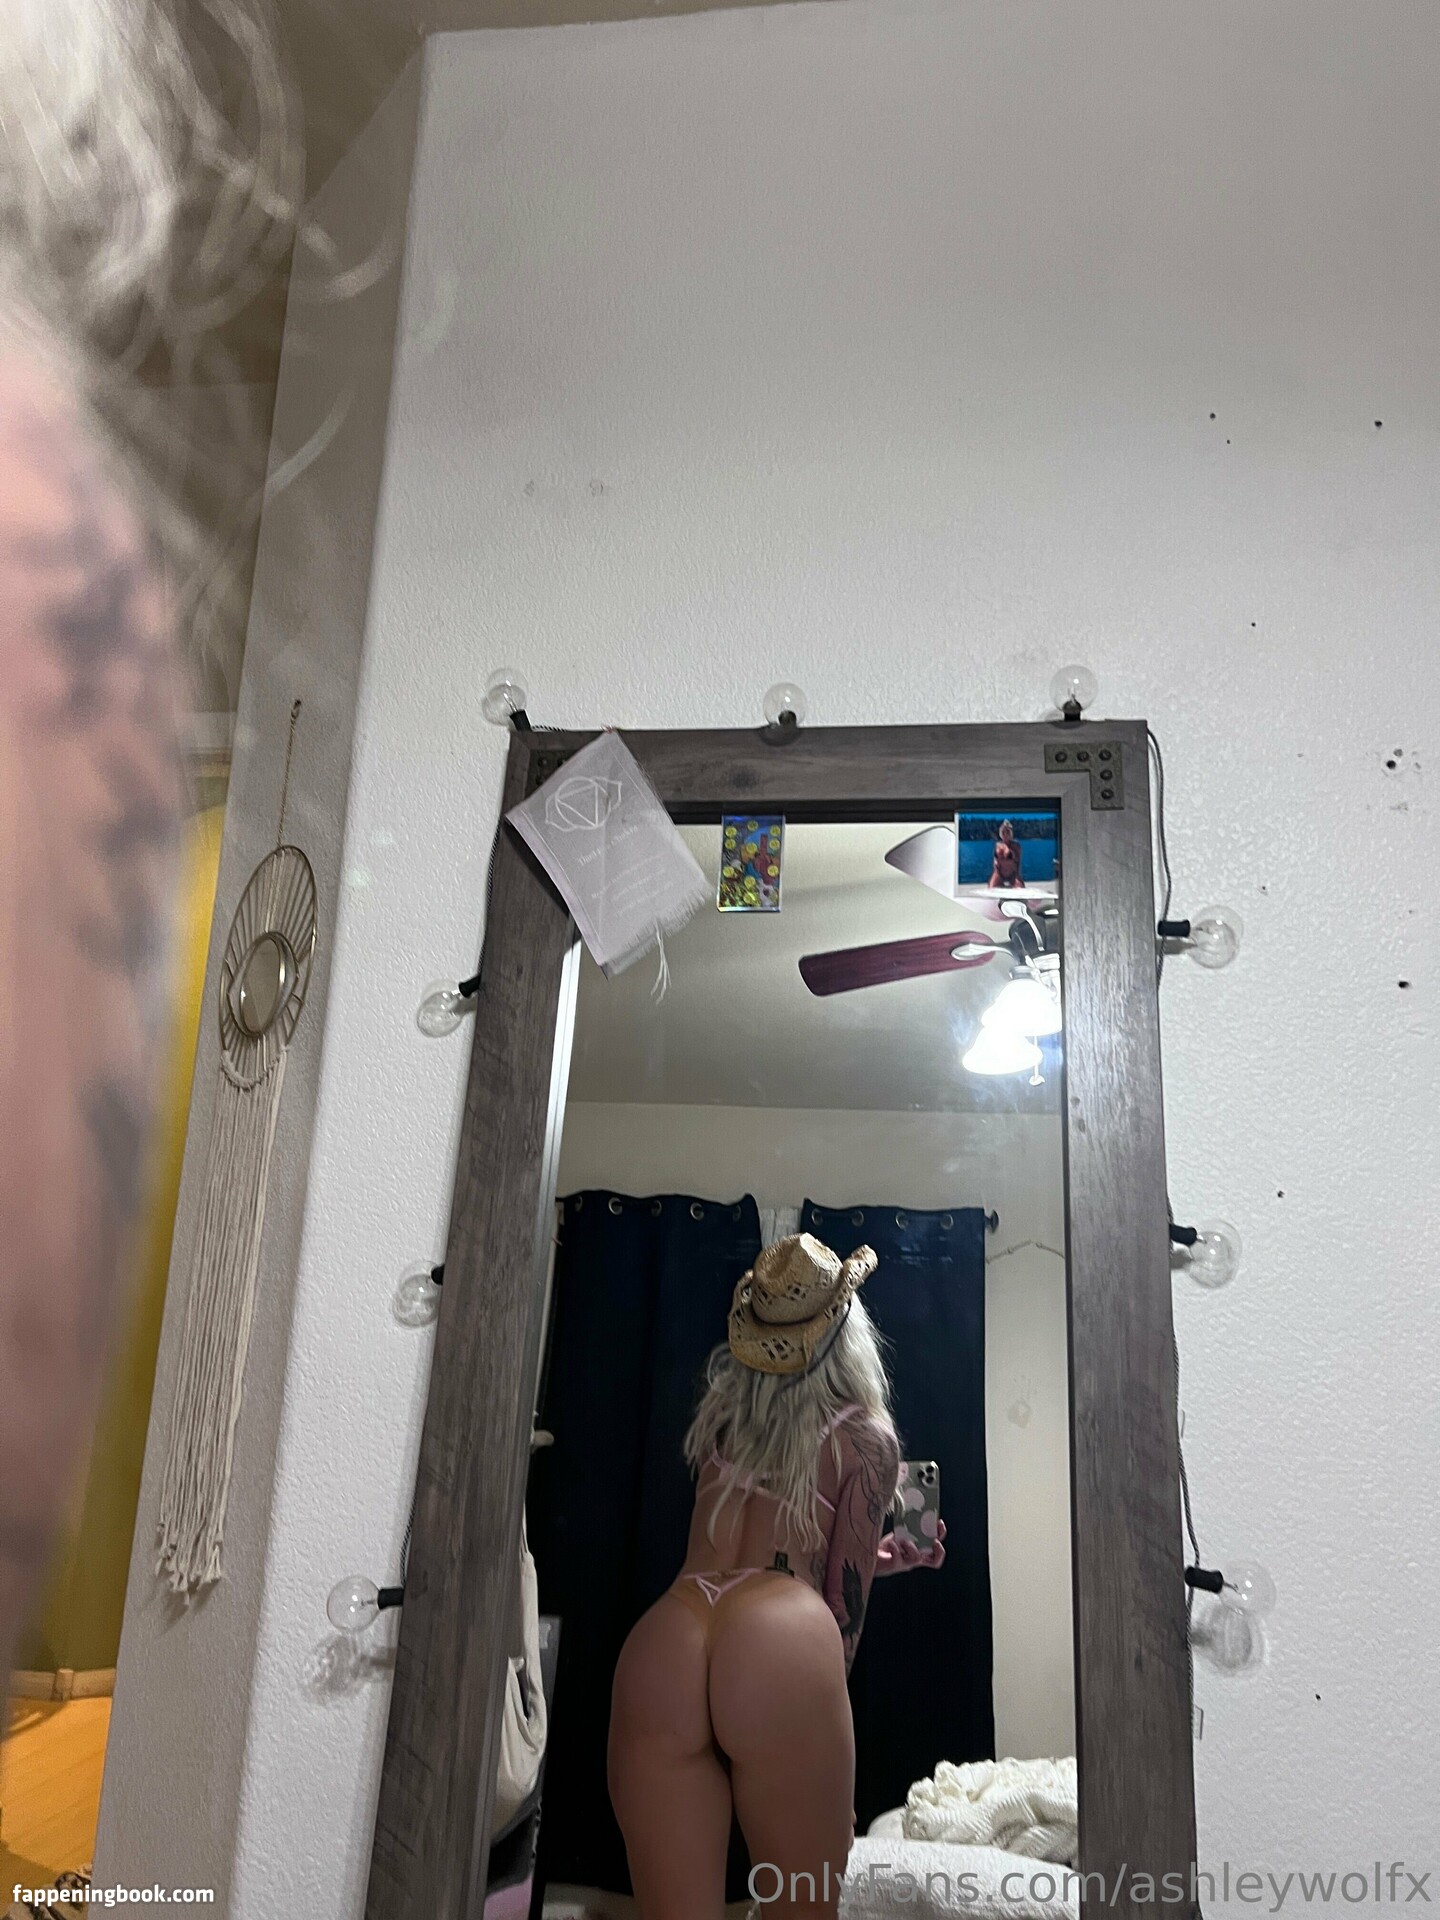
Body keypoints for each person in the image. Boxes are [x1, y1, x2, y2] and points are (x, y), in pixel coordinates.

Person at [607, 1234, 945, 1920]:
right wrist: (822, 1736)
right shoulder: (866, 1436)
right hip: (781, 1637)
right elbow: (839, 1610)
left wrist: (875, 1562)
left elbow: (748, 1553)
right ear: (846, 1334)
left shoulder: (722, 1422)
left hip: (670, 1635)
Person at [988, 818, 1023, 889]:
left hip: (1013, 875)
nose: (1005, 834)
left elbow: (1017, 861)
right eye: (1003, 832)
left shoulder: (1016, 845)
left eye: (1008, 832)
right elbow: (995, 860)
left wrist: (1009, 852)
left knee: (1020, 889)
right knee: (991, 888)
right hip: (999, 874)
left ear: (1011, 833)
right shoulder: (998, 845)